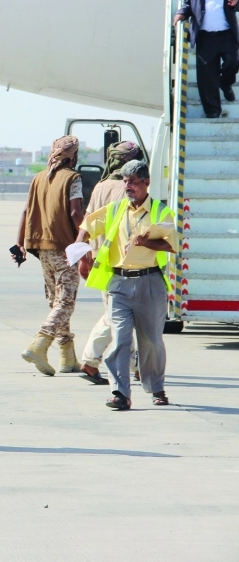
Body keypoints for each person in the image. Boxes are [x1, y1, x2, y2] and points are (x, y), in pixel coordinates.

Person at [76, 160, 178, 410]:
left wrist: (146, 243)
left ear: (146, 183)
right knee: (120, 338)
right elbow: (87, 225)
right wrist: (81, 248)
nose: (128, 186)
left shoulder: (161, 212)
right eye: (125, 181)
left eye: (133, 182)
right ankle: (119, 393)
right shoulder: (115, 209)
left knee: (151, 340)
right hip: (119, 284)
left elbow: (171, 245)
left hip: (150, 283)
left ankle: (157, 388)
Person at [13, 135, 85, 377]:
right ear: (73, 156)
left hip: (42, 247)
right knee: (65, 302)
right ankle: (39, 345)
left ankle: (68, 356)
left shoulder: (38, 178)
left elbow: (26, 211)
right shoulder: (73, 178)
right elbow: (76, 213)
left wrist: (19, 244)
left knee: (57, 302)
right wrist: (85, 240)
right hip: (65, 247)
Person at [78, 141, 142, 385]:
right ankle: (91, 360)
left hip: (100, 258)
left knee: (124, 315)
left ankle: (137, 366)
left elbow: (87, 223)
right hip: (121, 261)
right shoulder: (128, 188)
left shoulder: (101, 186)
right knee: (116, 315)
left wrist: (85, 258)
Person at [173, 0, 239, 119]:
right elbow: (188, 3)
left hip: (227, 34)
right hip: (205, 36)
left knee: (233, 61)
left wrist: (237, 3)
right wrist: (181, 14)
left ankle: (225, 83)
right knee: (207, 78)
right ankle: (213, 112)